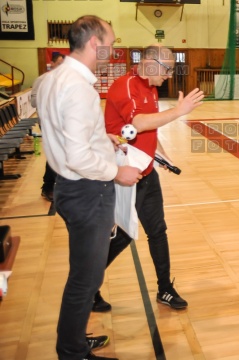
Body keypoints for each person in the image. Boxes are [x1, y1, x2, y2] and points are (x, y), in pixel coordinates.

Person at [36, 15, 142, 360]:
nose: (114, 48)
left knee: (84, 274)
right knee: (86, 278)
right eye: (111, 42)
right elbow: (78, 155)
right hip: (86, 190)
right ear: (95, 43)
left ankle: (74, 341)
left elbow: (68, 137)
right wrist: (116, 171)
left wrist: (101, 138)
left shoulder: (50, 79)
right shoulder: (78, 88)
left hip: (70, 188)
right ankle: (72, 351)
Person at [96, 44, 205, 312]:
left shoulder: (150, 87)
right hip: (125, 175)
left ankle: (165, 289)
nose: (169, 75)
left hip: (146, 172)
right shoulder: (126, 85)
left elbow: (145, 133)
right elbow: (139, 122)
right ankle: (87, 288)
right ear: (150, 62)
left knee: (158, 230)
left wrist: (161, 154)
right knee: (122, 235)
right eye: (167, 68)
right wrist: (179, 111)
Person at [31, 51, 65, 202]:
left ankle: (58, 185)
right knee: (54, 153)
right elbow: (33, 102)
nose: (61, 67)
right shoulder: (42, 80)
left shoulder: (64, 81)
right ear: (51, 63)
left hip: (62, 123)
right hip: (47, 123)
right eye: (58, 64)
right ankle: (48, 186)